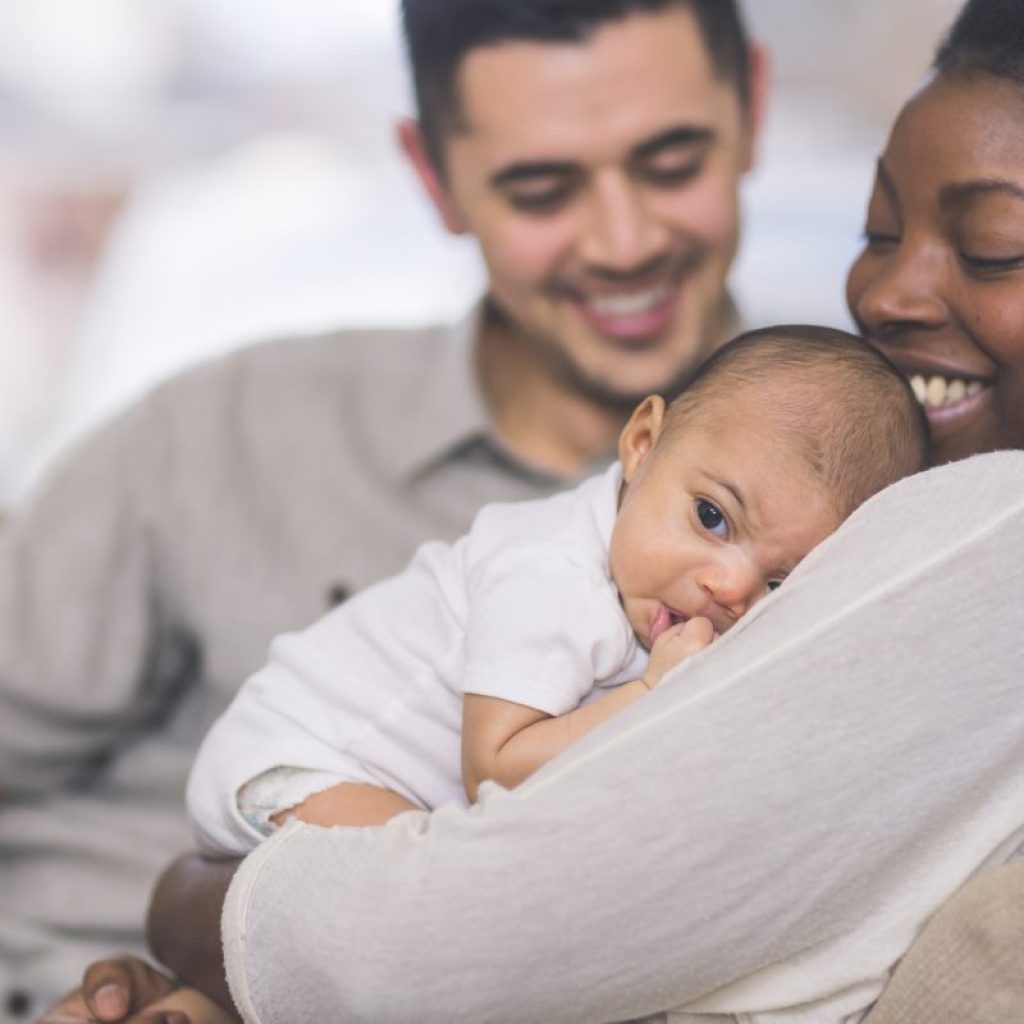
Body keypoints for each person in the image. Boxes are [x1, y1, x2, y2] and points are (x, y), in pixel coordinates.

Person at [42, 0, 1024, 1022]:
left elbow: (429, 942)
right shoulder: (221, 429)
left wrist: (194, 913)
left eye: (670, 161)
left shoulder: (870, 465)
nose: (623, 239)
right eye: (541, 186)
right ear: (433, 176)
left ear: (753, 114)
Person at [186, 327, 927, 858]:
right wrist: (649, 701)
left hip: (379, 787)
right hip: (294, 759)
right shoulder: (553, 574)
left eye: (781, 581)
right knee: (440, 902)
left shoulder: (655, 603)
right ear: (641, 446)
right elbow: (498, 767)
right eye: (711, 517)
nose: (729, 587)